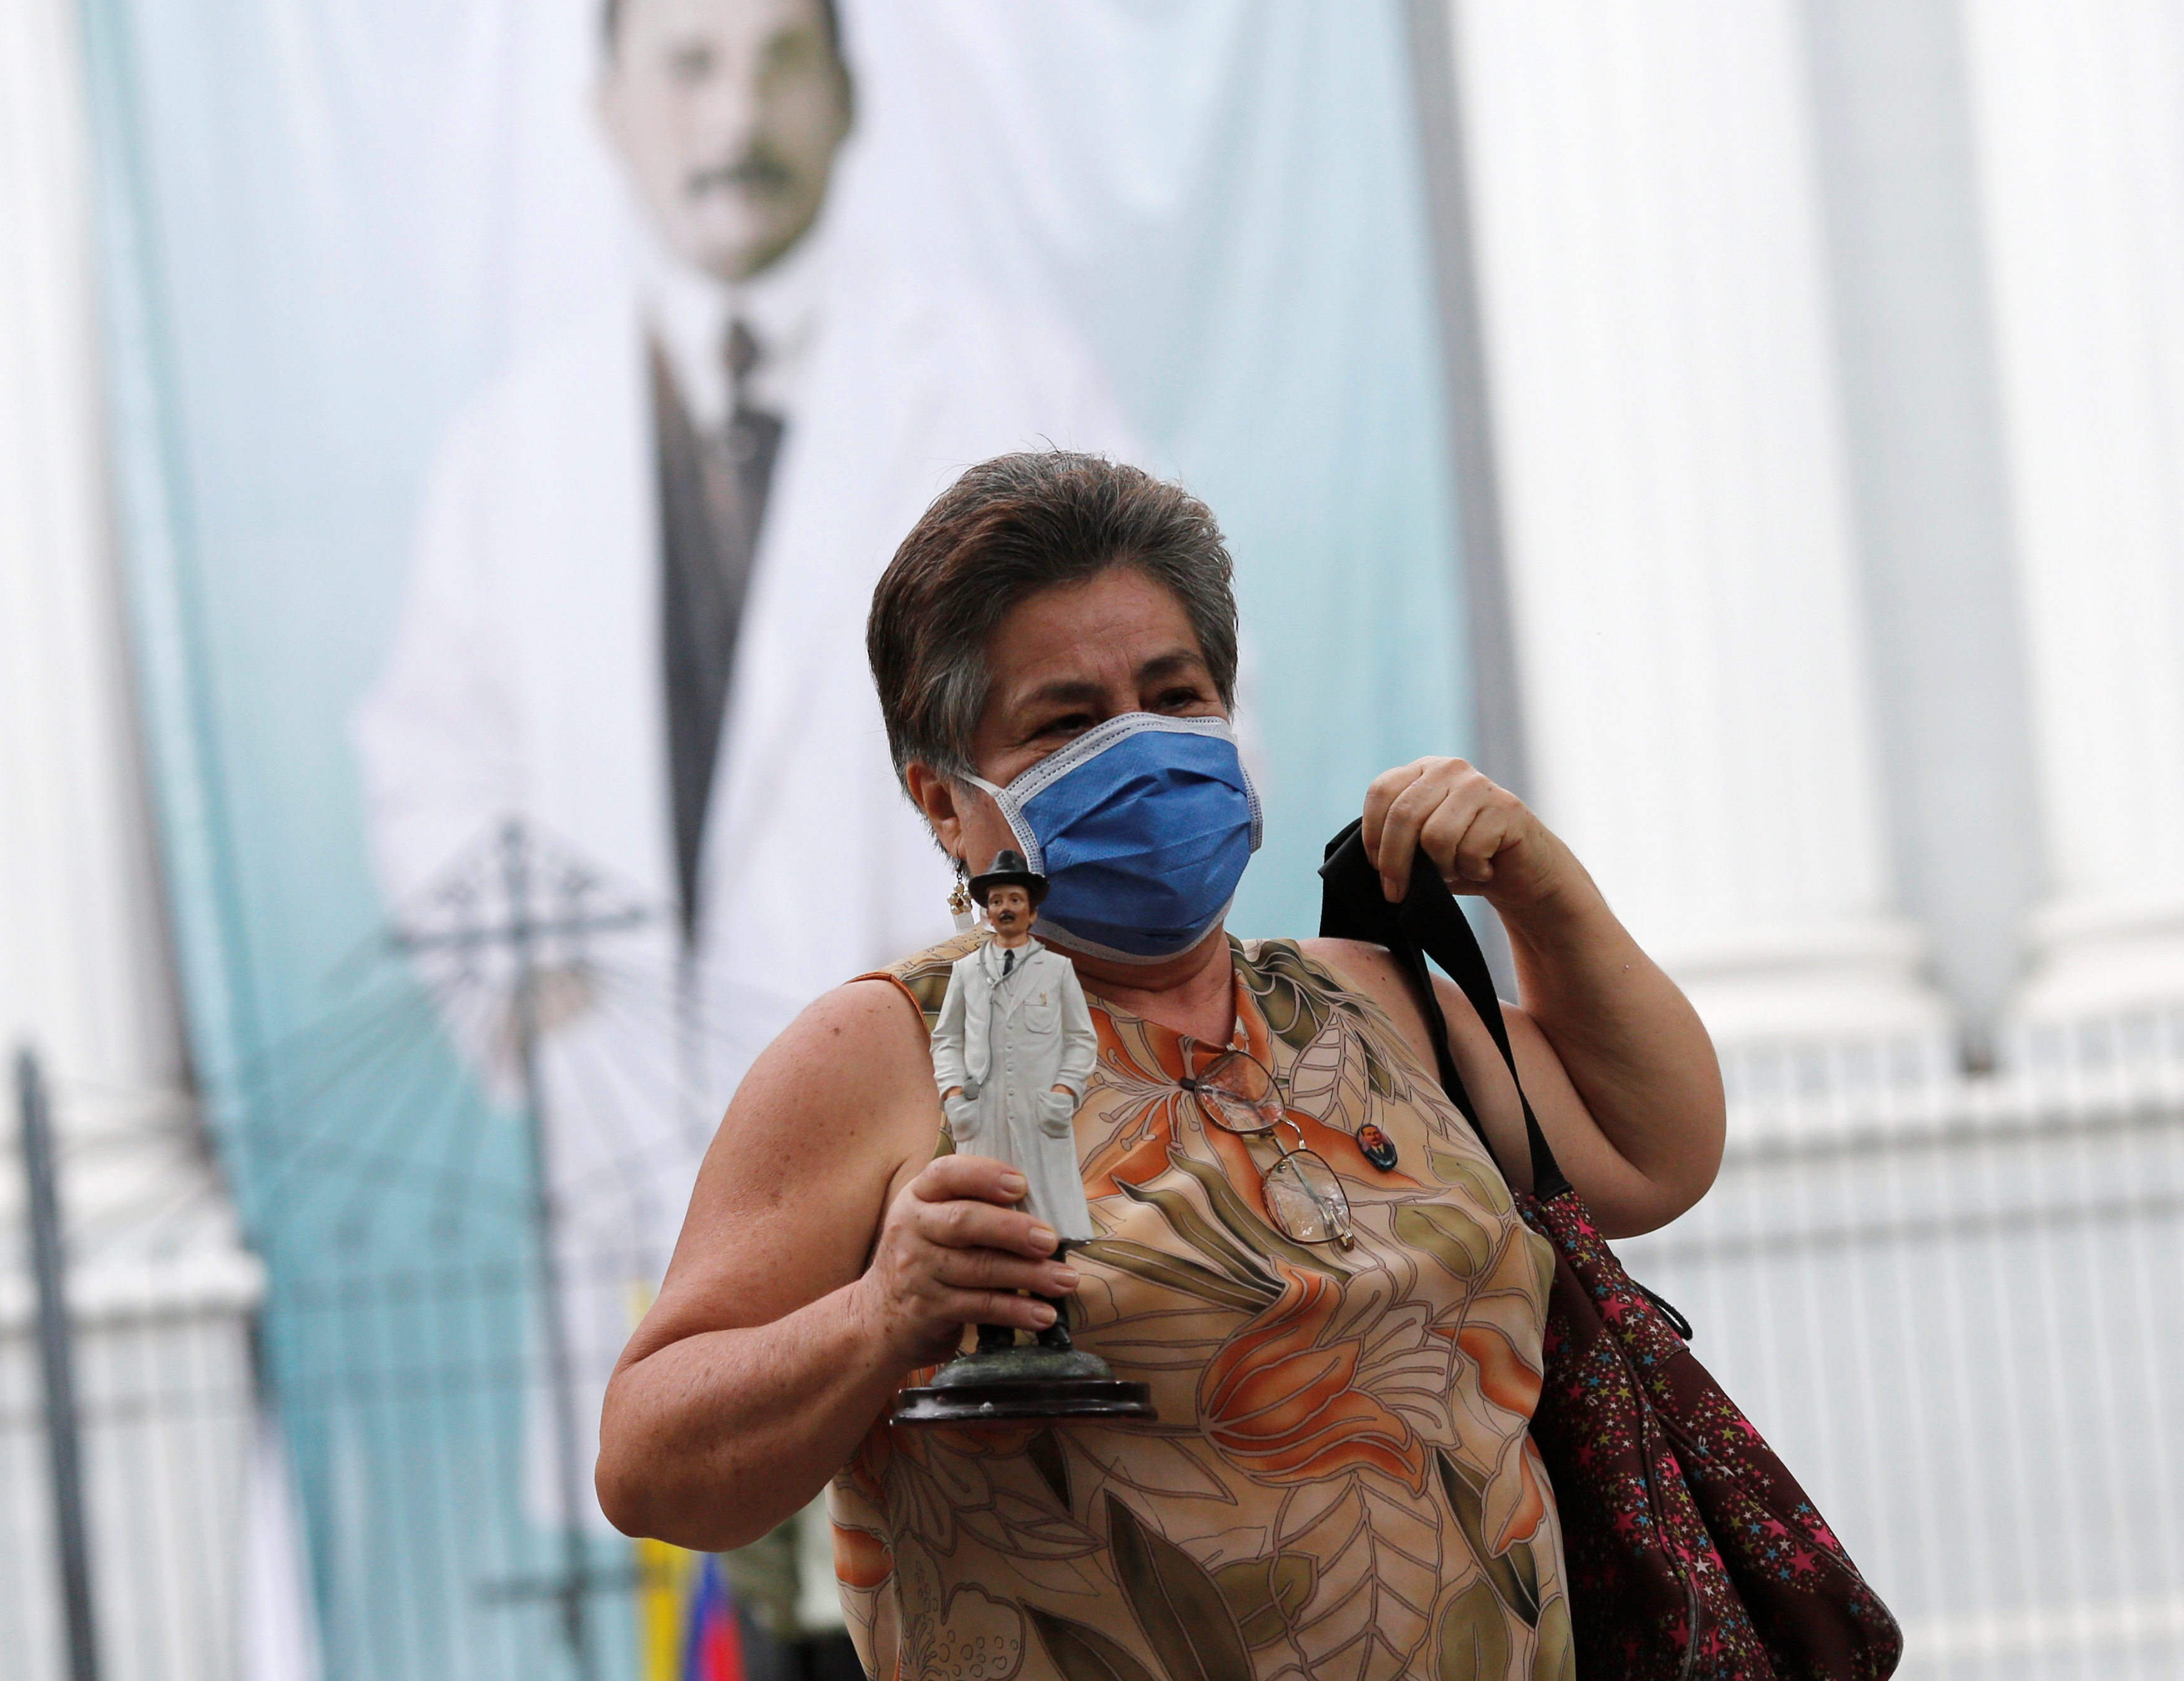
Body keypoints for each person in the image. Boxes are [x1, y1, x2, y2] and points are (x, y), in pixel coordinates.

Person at [597, 451, 1726, 1681]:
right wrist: (880, 1315)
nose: (1141, 743)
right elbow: (650, 1458)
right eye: (1069, 718)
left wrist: (1537, 883)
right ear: (943, 799)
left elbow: (1650, 1153)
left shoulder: (1375, 997)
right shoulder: (883, 1051)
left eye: (1175, 693)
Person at [354, 0, 1133, 1013]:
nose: (737, 115)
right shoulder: (511, 448)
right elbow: (430, 758)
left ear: (848, 98)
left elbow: (1166, 720)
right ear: (609, 113)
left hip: (955, 1082)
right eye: (689, 68)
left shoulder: (1015, 388)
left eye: (782, 62)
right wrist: (528, 988)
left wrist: (1025, 973)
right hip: (636, 1115)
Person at [929, 850, 1098, 1348]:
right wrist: (955, 1095)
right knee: (989, 1224)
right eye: (997, 899)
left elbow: (1080, 1039)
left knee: (1046, 1224)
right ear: (985, 909)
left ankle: (1053, 1329)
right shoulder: (964, 972)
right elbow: (946, 1038)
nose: (1005, 908)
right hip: (983, 1113)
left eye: (1015, 900)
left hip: (1038, 1110)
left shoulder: (1057, 969)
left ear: (1032, 911)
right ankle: (994, 1335)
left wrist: (1064, 1092)